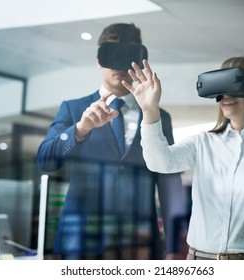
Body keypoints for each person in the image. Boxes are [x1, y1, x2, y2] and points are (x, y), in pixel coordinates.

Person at [122, 56, 244, 260]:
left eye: (235, 83)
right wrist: (150, 110)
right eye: (221, 85)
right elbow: (160, 162)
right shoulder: (202, 143)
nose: (226, 95)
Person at [36, 23, 187, 260]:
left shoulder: (158, 116)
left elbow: (169, 182)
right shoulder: (73, 108)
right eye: (112, 55)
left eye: (127, 56)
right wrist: (80, 128)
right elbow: (45, 160)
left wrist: (175, 246)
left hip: (140, 244)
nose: (119, 65)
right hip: (82, 240)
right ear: (98, 59)